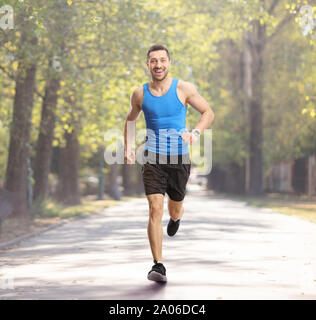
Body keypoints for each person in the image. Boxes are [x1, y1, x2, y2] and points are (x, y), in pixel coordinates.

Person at [124, 44, 214, 282]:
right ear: (148, 65)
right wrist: (128, 148)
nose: (158, 65)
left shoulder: (183, 88)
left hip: (179, 158)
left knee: (174, 206)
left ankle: (176, 218)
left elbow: (208, 112)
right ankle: (158, 265)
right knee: (154, 208)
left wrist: (194, 133)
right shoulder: (139, 93)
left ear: (169, 63)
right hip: (152, 156)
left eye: (162, 60)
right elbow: (130, 120)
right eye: (153, 61)